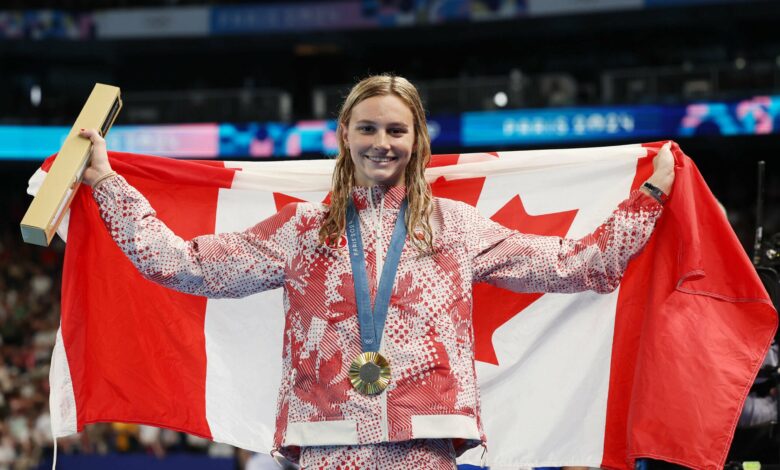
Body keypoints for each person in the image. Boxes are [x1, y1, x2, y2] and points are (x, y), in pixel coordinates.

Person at [78, 74, 674, 469]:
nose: (381, 142)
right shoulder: (301, 230)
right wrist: (106, 183)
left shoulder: (457, 228)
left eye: (396, 129)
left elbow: (581, 267)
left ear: (418, 139)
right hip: (325, 442)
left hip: (424, 443)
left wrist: (649, 195)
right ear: (344, 135)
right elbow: (183, 266)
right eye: (367, 128)